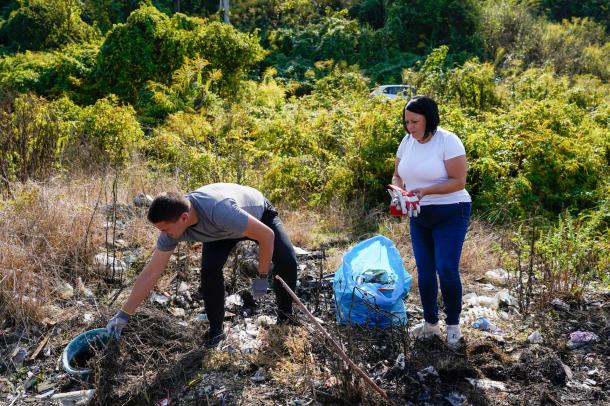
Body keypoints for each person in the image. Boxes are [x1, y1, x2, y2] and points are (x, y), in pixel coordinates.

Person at [106, 183, 298, 348]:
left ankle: (285, 318)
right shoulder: (172, 229)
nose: (163, 234)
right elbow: (152, 272)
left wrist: (262, 277)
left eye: (165, 229)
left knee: (287, 261)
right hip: (218, 232)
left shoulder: (220, 210)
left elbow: (266, 235)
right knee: (209, 271)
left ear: (183, 218)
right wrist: (124, 314)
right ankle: (216, 331)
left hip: (257, 215)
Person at [392, 96, 471, 350]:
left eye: (415, 121)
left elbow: (458, 181)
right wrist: (400, 192)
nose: (410, 127)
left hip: (451, 211)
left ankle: (453, 327)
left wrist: (425, 191)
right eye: (406, 122)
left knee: (446, 268)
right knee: (425, 271)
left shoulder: (448, 141)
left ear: (429, 118)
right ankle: (430, 323)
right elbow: (397, 173)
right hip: (419, 215)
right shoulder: (406, 142)